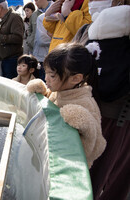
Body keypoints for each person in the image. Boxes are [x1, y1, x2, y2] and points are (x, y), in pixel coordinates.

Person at [73, 1, 130, 199]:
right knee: (92, 173)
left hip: (116, 117)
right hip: (89, 111)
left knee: (102, 175)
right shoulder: (85, 29)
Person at [27, 42, 106, 168]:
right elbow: (54, 102)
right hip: (51, 154)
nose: (46, 78)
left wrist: (86, 123)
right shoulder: (61, 90)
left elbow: (96, 146)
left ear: (75, 79)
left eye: (52, 75)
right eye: (45, 72)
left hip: (68, 165)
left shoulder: (86, 104)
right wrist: (44, 92)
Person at [0, 0, 24, 79]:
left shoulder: (15, 17)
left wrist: (0, 36)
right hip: (7, 60)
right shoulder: (7, 18)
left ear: (0, 8)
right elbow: (9, 32)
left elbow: (18, 38)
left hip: (12, 61)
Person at [32, 13, 52, 81]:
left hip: (48, 57)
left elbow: (42, 39)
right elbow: (41, 39)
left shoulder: (42, 17)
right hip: (41, 57)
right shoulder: (41, 17)